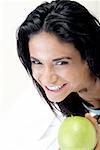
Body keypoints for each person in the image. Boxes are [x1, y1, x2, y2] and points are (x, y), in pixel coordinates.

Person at [16, 0, 100, 149]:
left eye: (60, 63)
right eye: (37, 62)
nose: (47, 78)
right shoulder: (59, 101)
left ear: (89, 56)